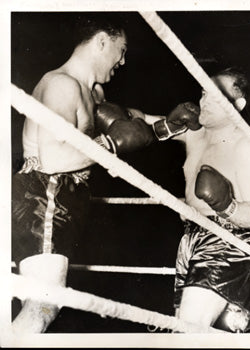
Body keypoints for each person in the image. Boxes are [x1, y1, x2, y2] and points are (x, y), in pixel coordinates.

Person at [12, 14, 201, 333]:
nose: (123, 61)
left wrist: (172, 125)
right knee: (43, 304)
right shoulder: (61, 85)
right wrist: (111, 143)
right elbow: (54, 158)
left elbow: (133, 125)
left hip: (61, 201)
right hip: (44, 196)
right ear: (102, 41)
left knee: (46, 303)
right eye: (121, 50)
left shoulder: (93, 93)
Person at [170, 67, 250, 332]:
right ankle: (249, 316)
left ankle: (243, 314)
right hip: (190, 239)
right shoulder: (194, 134)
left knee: (188, 330)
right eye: (203, 92)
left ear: (238, 104)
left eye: (215, 95)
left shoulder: (247, 147)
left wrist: (226, 204)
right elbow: (140, 126)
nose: (204, 101)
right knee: (179, 324)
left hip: (226, 238)